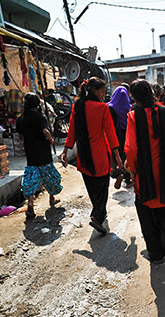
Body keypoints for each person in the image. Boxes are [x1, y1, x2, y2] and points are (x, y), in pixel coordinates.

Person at [125, 80, 165, 278]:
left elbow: (131, 148)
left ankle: (157, 253)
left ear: (134, 97)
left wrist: (133, 170)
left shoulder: (134, 116)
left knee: (147, 215)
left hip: (146, 178)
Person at [61, 77, 123, 234]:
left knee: (92, 186)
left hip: (83, 157)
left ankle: (98, 212)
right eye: (102, 91)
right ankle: (97, 216)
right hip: (100, 155)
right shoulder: (102, 108)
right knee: (102, 187)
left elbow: (72, 130)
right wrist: (117, 155)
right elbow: (110, 133)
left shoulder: (78, 106)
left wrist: (65, 151)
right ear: (94, 90)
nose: (103, 95)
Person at [16, 93, 62, 219]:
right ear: (37, 104)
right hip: (43, 152)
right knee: (49, 175)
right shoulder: (41, 117)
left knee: (31, 177)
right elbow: (45, 131)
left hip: (30, 152)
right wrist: (50, 139)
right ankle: (52, 198)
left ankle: (30, 203)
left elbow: (21, 136)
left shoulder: (21, 119)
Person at [108, 85, 132, 189]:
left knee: (115, 156)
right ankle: (127, 178)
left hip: (114, 136)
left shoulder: (109, 107)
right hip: (126, 135)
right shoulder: (129, 107)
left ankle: (117, 173)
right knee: (126, 156)